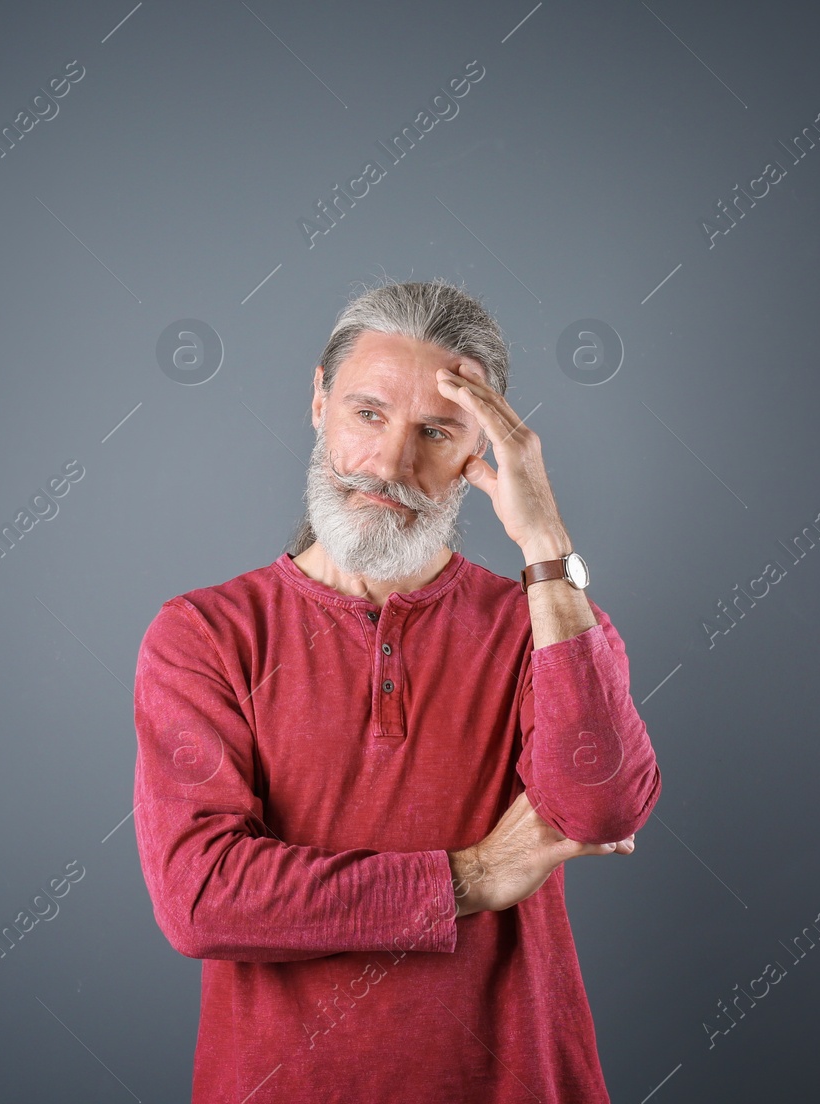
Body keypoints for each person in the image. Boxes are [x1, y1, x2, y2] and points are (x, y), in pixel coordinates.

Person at [132, 277, 661, 1102]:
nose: (389, 463)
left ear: (480, 450)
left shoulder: (544, 626)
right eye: (368, 413)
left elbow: (600, 809)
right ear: (319, 400)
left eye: (436, 430)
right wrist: (473, 876)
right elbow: (203, 897)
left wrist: (546, 545)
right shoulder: (206, 635)